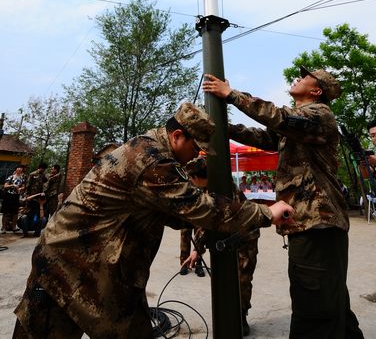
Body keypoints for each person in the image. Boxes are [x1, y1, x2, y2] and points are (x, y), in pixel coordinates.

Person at [13, 102, 293, 339]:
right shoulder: (150, 160)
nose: (199, 154)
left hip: (102, 267)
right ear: (177, 136)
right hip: (69, 263)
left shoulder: (155, 152)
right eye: (197, 146)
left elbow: (175, 213)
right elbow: (198, 208)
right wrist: (267, 213)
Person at [203, 67, 364, 339]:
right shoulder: (300, 126)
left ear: (316, 91)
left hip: (317, 224)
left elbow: (278, 116)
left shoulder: (319, 115)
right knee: (330, 299)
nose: (298, 78)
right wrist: (222, 126)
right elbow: (266, 137)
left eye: (305, 77)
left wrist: (232, 95)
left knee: (314, 305)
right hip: (316, 226)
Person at [182, 155, 259, 336]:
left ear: (198, 177)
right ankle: (232, 314)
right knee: (228, 279)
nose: (191, 183)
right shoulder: (210, 188)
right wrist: (197, 250)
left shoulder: (220, 190)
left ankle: (241, 317)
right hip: (229, 239)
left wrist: (197, 249)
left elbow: (210, 220)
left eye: (192, 179)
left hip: (245, 238)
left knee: (242, 279)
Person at [1, 165, 26, 233]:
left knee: (15, 212)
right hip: (8, 196)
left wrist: (20, 188)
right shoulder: (11, 177)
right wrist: (13, 185)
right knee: (5, 212)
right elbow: (5, 186)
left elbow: (24, 187)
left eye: (21, 170)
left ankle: (14, 227)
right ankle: (3, 228)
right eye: (19, 169)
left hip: (16, 196)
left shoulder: (22, 178)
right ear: (16, 170)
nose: (20, 170)